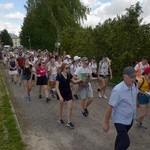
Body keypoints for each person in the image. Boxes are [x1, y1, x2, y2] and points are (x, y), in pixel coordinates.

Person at [103, 66, 139, 150]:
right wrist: (106, 123)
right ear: (125, 77)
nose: (134, 80)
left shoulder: (134, 85)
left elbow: (135, 94)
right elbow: (110, 106)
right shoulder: (118, 90)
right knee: (125, 142)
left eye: (134, 77)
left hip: (130, 119)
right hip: (120, 120)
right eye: (132, 78)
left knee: (120, 137)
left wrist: (137, 103)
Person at [56, 63, 81, 129]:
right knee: (61, 107)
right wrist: (60, 96)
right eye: (66, 68)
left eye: (68, 68)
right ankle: (60, 118)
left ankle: (69, 122)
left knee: (70, 107)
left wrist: (82, 79)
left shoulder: (69, 74)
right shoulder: (59, 76)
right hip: (61, 93)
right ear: (63, 68)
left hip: (68, 92)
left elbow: (74, 81)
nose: (67, 69)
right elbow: (56, 87)